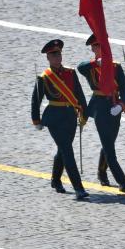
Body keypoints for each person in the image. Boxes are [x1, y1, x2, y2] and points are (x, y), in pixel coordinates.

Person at [31, 39, 90, 199]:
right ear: (48, 58)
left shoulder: (70, 73)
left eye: (58, 54)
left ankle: (56, 180)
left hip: (70, 116)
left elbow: (79, 93)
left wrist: (84, 113)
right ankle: (79, 188)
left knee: (63, 149)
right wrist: (36, 120)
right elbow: (36, 100)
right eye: (53, 55)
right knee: (67, 151)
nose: (57, 57)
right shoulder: (44, 77)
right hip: (54, 118)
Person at [77, 33, 125, 192]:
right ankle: (123, 182)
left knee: (109, 143)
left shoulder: (115, 67)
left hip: (114, 106)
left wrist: (122, 106)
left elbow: (124, 90)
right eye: (96, 46)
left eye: (102, 45)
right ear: (93, 49)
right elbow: (80, 67)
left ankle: (101, 172)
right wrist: (96, 63)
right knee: (109, 147)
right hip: (99, 108)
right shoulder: (90, 67)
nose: (100, 48)